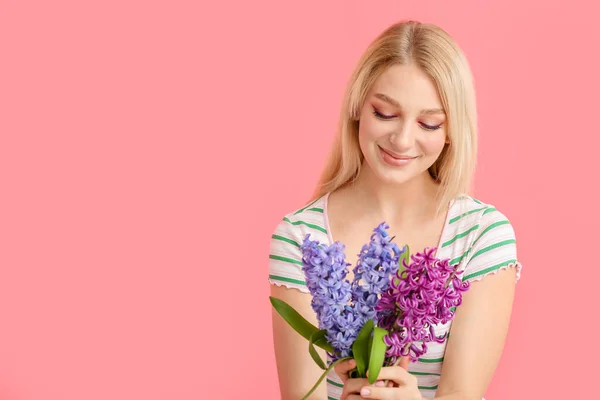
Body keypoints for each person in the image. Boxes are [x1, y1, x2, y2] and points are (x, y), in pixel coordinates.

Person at [268, 20, 521, 400]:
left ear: (451, 130)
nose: (402, 140)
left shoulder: (481, 234)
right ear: (357, 107)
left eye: (429, 122)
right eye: (385, 114)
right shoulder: (302, 239)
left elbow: (462, 393)